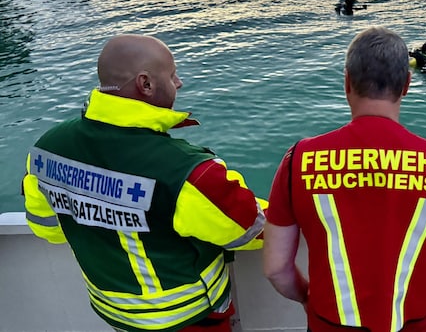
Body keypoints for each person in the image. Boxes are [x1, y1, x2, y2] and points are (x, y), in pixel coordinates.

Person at [21, 34, 267, 332]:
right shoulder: (185, 169)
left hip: (115, 314)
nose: (179, 83)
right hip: (188, 319)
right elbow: (250, 229)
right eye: (173, 74)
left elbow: (48, 229)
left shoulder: (46, 149)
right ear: (145, 84)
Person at [263, 26, 426, 332]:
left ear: (347, 82)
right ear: (406, 84)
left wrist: (307, 299)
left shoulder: (298, 160)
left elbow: (276, 269)